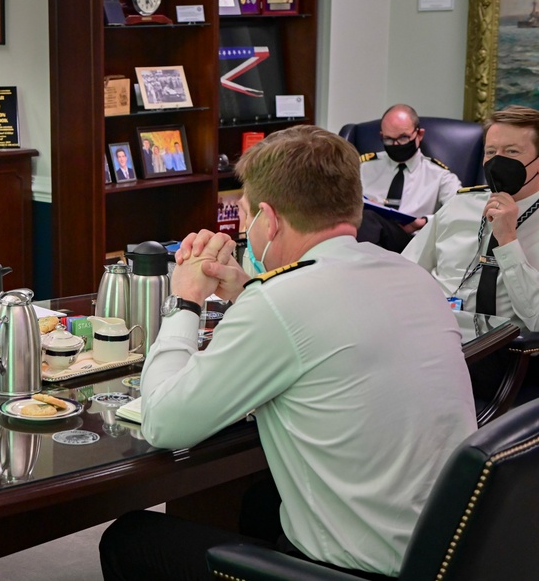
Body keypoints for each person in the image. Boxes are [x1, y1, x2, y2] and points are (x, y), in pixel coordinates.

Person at [100, 125, 476, 579]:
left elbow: (163, 423)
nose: (242, 228)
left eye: (243, 215)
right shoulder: (412, 277)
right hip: (445, 551)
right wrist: (247, 290)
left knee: (130, 538)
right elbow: (323, 330)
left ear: (269, 218)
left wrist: (185, 302)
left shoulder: (278, 303)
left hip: (358, 569)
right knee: (256, 499)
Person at [403, 105, 539, 334]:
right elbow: (407, 270)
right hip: (434, 335)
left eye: (512, 152)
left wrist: (507, 240)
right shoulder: (460, 204)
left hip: (507, 353)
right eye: (491, 152)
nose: (497, 161)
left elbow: (536, 319)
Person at [357, 104, 461, 252]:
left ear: (419, 135)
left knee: (369, 219)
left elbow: (460, 208)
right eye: (388, 139)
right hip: (368, 233)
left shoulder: (439, 174)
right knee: (367, 218)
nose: (396, 144)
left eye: (403, 138)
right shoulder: (364, 167)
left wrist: (424, 221)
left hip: (412, 242)